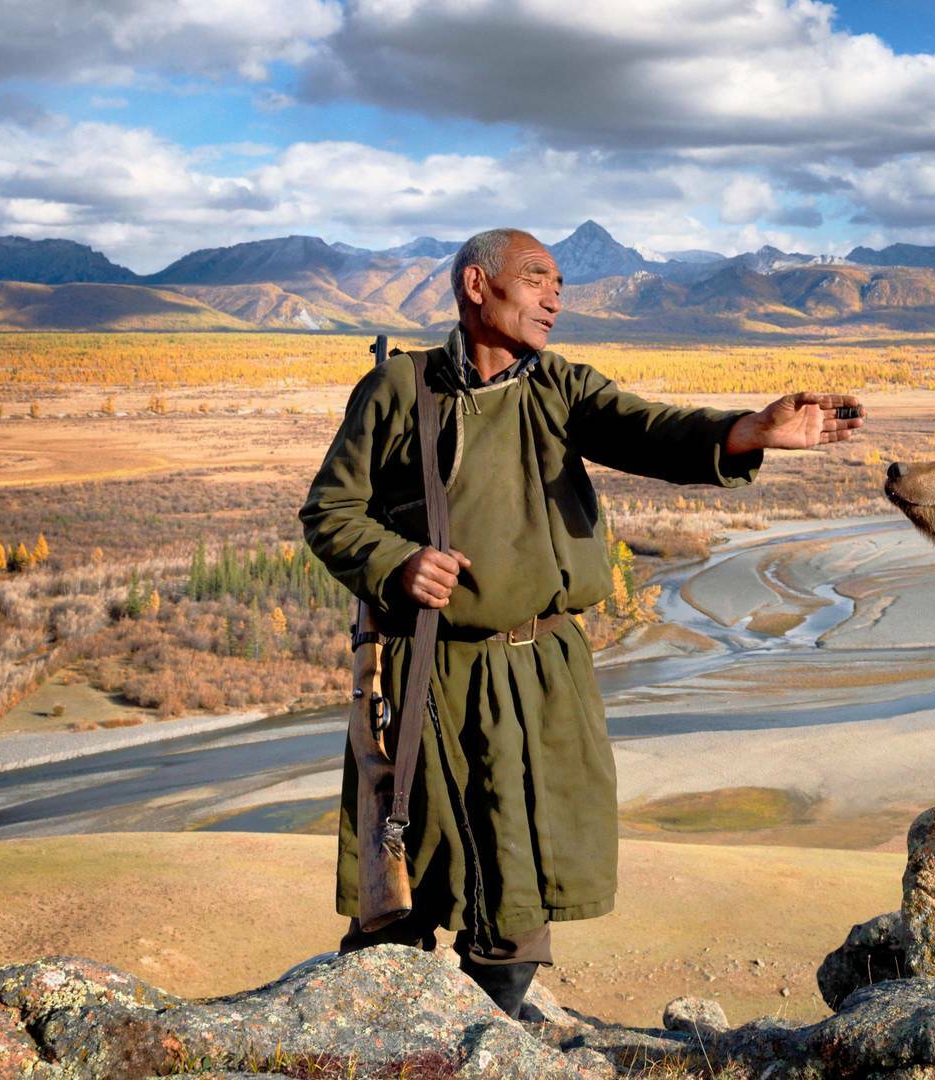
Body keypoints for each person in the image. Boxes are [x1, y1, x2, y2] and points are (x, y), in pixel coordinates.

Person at [298, 227, 864, 1015]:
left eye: (560, 283)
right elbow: (330, 510)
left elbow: (650, 430)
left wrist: (750, 432)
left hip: (541, 675)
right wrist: (395, 562)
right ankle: (383, 1039)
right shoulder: (401, 390)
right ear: (475, 285)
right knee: (407, 886)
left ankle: (488, 1040)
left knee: (519, 889)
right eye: (536, 279)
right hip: (431, 669)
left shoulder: (559, 388)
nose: (555, 298)